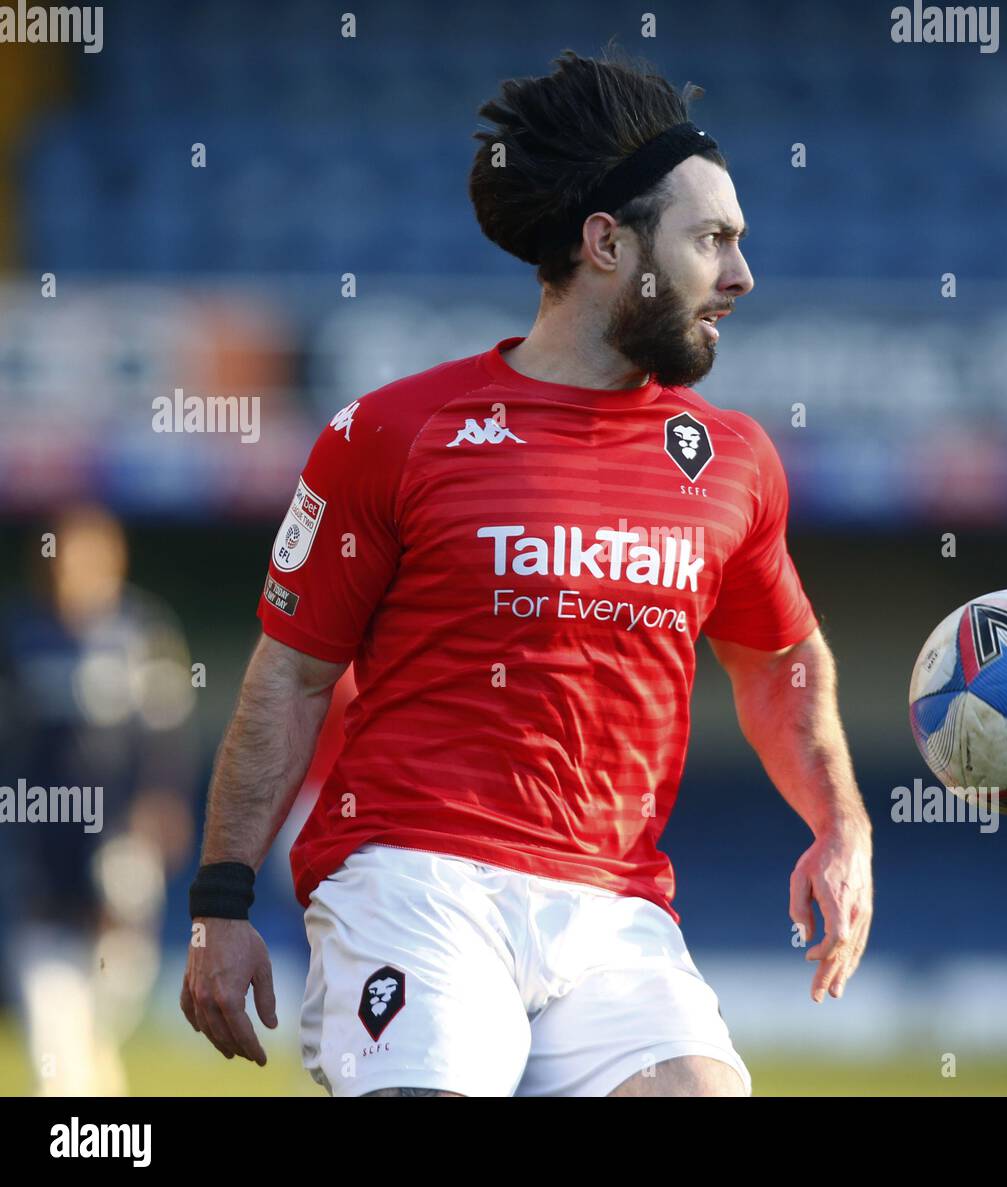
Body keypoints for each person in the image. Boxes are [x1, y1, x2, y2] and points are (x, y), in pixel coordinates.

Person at [181, 47, 873, 1098]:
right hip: (414, 877)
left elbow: (781, 661)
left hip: (615, 908)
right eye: (711, 241)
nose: (740, 275)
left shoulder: (732, 462)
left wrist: (840, 823)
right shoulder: (395, 433)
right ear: (607, 243)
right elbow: (290, 677)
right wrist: (222, 903)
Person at [0, 504, 196, 1094]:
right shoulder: (18, 638)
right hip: (36, 853)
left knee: (99, 1013)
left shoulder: (143, 634)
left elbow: (169, 738)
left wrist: (159, 811)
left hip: (119, 851)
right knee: (54, 1015)